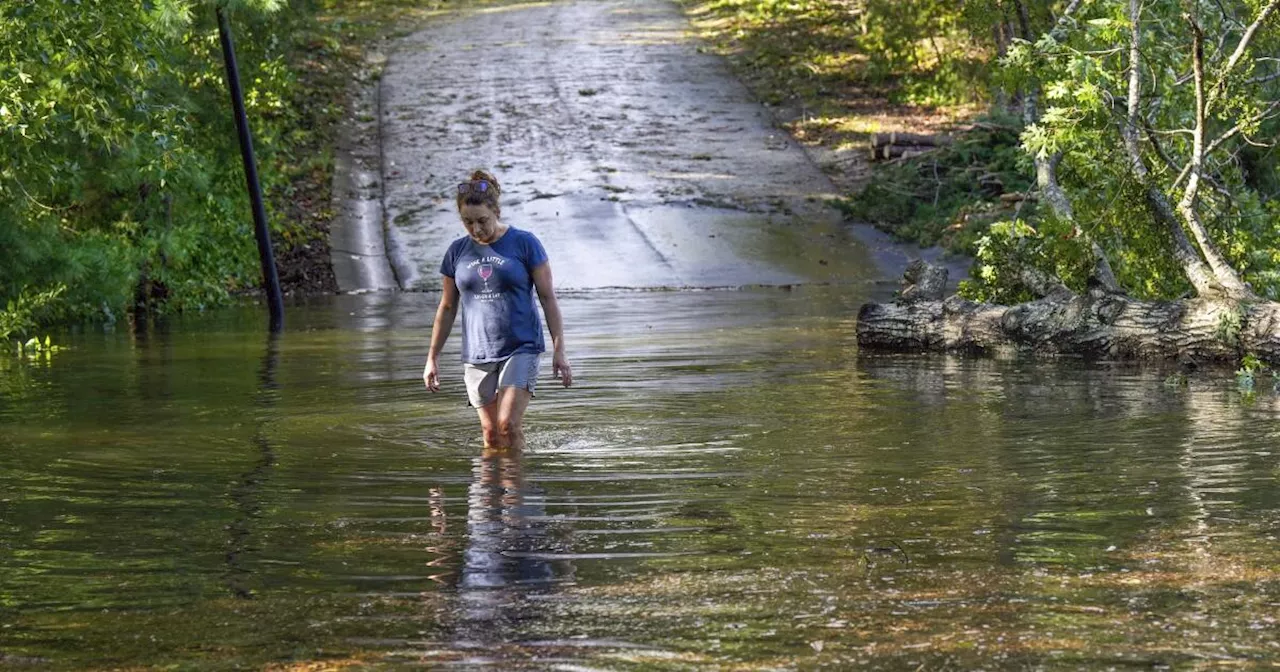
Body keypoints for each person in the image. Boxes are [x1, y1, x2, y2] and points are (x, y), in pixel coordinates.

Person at [423, 170, 572, 450]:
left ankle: (516, 493)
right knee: (491, 434)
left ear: (497, 211)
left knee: (507, 424)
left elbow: (548, 298)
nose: (477, 229)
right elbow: (446, 307)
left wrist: (559, 350)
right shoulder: (456, 252)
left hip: (521, 346)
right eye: (468, 222)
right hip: (477, 352)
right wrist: (433, 357)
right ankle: (491, 492)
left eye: (482, 221)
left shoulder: (525, 243)